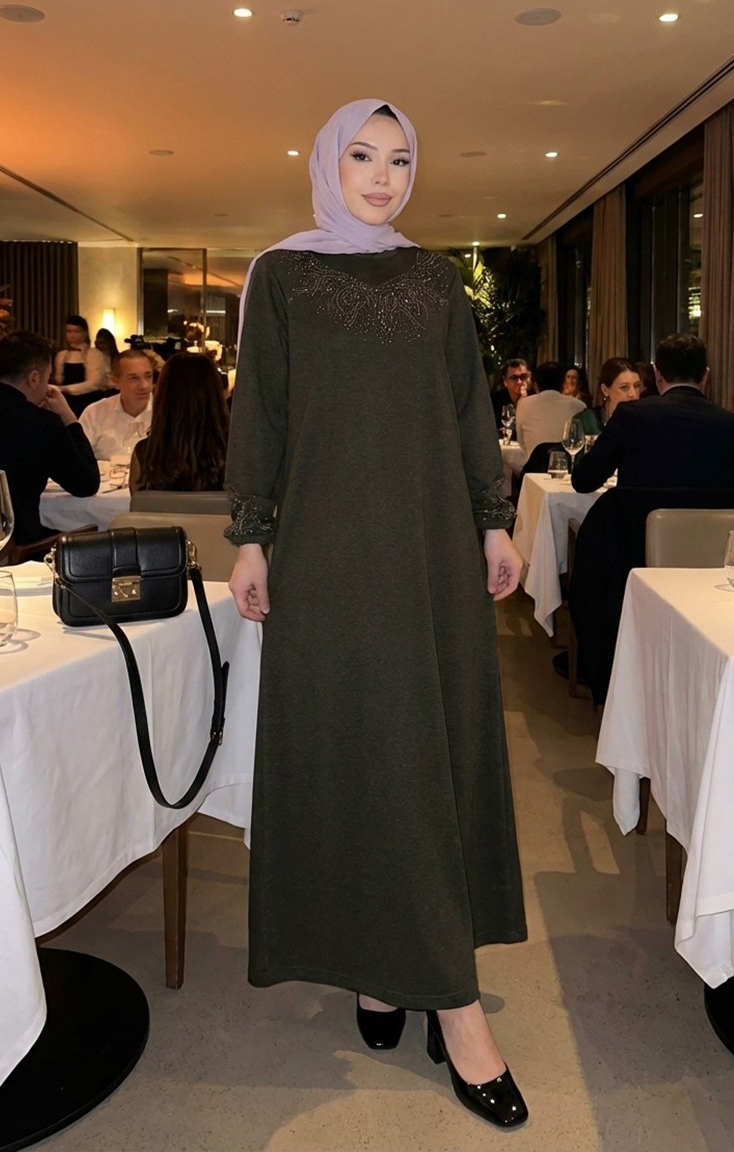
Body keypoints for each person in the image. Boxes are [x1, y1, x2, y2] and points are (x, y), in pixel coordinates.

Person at [225, 99, 528, 1130]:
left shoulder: (436, 281)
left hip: (429, 555)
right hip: (325, 558)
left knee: (422, 753)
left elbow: (466, 410)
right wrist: (251, 536)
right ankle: (387, 970)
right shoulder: (279, 276)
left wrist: (493, 522)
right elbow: (260, 412)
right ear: (328, 162)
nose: (383, 175)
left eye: (399, 159)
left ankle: (440, 992)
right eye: (362, 155)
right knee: (356, 751)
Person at [572, 333, 734, 492]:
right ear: (705, 375)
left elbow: (583, 480)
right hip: (708, 512)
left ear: (657, 373)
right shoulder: (728, 423)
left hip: (639, 510)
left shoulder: (630, 414)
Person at [0, 330, 99, 545]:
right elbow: (87, 483)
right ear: (34, 378)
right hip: (16, 547)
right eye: (47, 378)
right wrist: (69, 418)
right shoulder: (41, 423)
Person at [129, 352, 229, 494]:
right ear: (215, 395)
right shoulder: (235, 453)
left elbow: (138, 503)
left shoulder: (145, 454)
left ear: (163, 396)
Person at [80, 350, 154, 461]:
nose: (144, 386)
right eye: (134, 378)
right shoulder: (94, 413)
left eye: (148, 376)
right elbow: (77, 459)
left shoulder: (167, 412)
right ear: (115, 381)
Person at [515, 360, 585, 458]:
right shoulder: (579, 406)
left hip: (534, 464)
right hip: (568, 465)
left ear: (536, 385)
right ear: (563, 384)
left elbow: (520, 441)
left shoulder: (523, 404)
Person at [53, 315, 111, 414]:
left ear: (85, 333)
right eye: (69, 331)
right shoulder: (61, 355)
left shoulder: (94, 354)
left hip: (88, 403)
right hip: (66, 403)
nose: (72, 335)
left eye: (77, 331)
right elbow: (59, 380)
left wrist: (63, 389)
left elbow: (94, 384)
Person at [575, 357, 641, 435]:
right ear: (605, 390)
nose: (633, 394)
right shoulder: (586, 422)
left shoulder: (644, 421)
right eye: (624, 387)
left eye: (637, 386)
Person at [489, 358, 531, 433]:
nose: (519, 382)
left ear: (529, 378)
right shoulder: (493, 401)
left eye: (523, 377)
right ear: (505, 381)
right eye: (514, 378)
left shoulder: (536, 399)